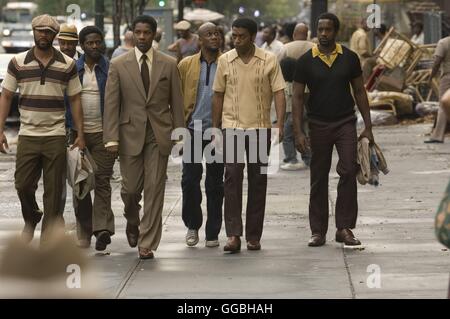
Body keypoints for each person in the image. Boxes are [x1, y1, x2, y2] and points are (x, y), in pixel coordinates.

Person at [103, 15, 184, 259]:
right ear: (133, 34)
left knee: (154, 188)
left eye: (146, 32)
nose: (141, 37)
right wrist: (111, 137)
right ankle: (132, 219)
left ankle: (147, 241)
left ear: (154, 34)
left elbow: (176, 102)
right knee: (129, 190)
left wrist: (179, 135)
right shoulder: (118, 64)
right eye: (137, 32)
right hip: (129, 134)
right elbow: (111, 103)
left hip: (158, 134)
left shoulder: (169, 64)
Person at [0, 14, 85, 246]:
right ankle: (32, 216)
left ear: (54, 35)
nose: (43, 35)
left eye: (48, 31)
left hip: (56, 135)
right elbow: (6, 95)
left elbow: (76, 98)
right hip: (27, 134)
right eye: (40, 30)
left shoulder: (67, 65)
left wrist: (80, 133)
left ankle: (48, 239)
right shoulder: (17, 62)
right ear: (33, 32)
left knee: (54, 191)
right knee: (23, 185)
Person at [292, 13, 374, 247]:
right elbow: (297, 98)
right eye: (320, 29)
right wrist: (298, 131)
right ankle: (317, 231)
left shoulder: (349, 58)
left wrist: (368, 126)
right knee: (318, 177)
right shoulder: (306, 61)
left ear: (336, 32)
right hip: (317, 125)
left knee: (348, 170)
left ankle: (344, 228)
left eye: (328, 30)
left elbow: (359, 92)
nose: (324, 34)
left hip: (345, 123)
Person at [212, 17, 286, 253]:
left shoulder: (269, 60)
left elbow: (279, 93)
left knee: (257, 180)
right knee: (231, 178)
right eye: (234, 35)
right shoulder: (225, 60)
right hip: (231, 126)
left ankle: (254, 236)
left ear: (253, 37)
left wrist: (279, 124)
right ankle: (234, 234)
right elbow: (217, 96)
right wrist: (215, 129)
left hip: (259, 127)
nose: (236, 39)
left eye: (241, 36)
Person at [178, 23, 224, 248]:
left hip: (220, 132)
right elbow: (176, 97)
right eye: (209, 34)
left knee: (215, 182)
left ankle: (213, 232)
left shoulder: (227, 63)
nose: (214, 37)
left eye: (217, 34)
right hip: (192, 129)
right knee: (189, 180)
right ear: (200, 40)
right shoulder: (186, 64)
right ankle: (192, 226)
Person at [70, 26, 115, 250]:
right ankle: (84, 231)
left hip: (104, 133)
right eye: (90, 43)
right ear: (82, 45)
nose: (95, 46)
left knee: (102, 180)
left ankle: (102, 230)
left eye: (98, 42)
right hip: (76, 134)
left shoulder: (110, 68)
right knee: (81, 184)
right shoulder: (73, 69)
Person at [424, 35, 450, 143]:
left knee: (443, 105)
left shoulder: (443, 43)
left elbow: (437, 62)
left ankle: (438, 135)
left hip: (447, 77)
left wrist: (431, 77)